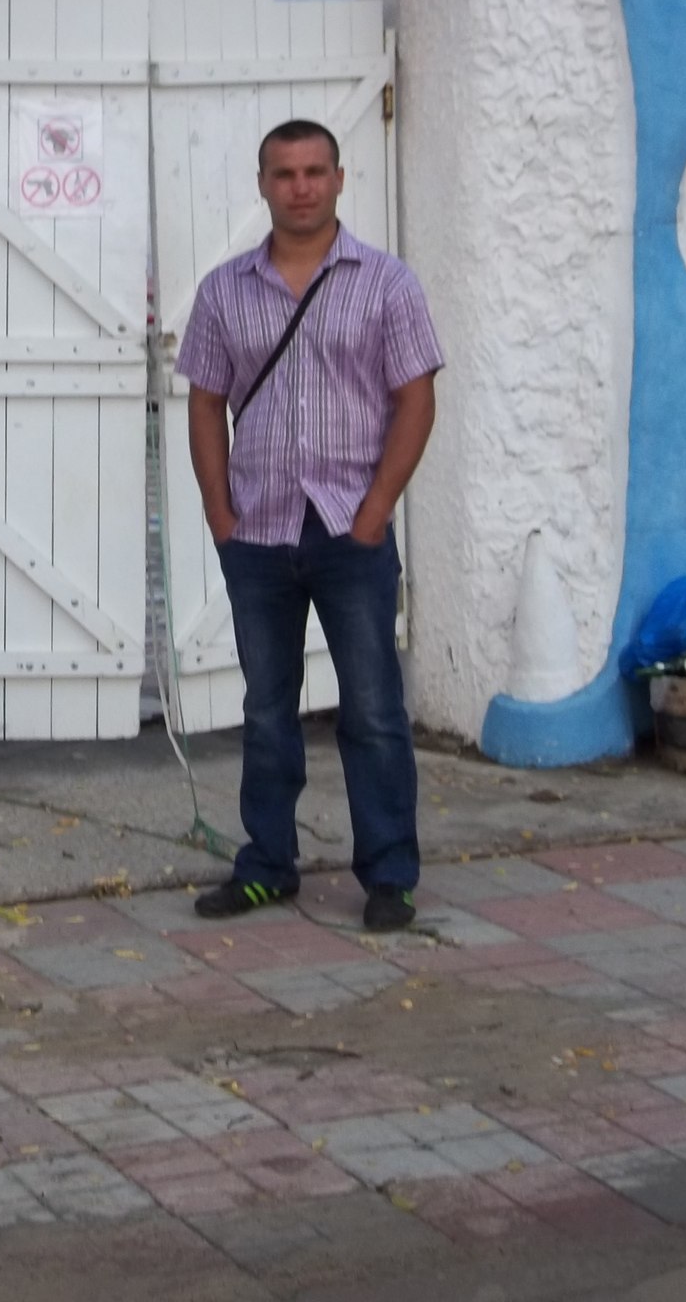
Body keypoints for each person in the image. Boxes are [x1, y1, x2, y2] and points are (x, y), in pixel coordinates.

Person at [176, 119, 442, 931]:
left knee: (373, 709)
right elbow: (205, 403)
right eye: (285, 173)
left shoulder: (387, 283)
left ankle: (389, 875)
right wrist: (220, 513)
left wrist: (375, 512)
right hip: (258, 534)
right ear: (263, 184)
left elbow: (416, 400)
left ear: (339, 179)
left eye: (315, 171)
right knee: (266, 709)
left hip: (349, 530)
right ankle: (267, 866)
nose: (301, 187)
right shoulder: (224, 290)